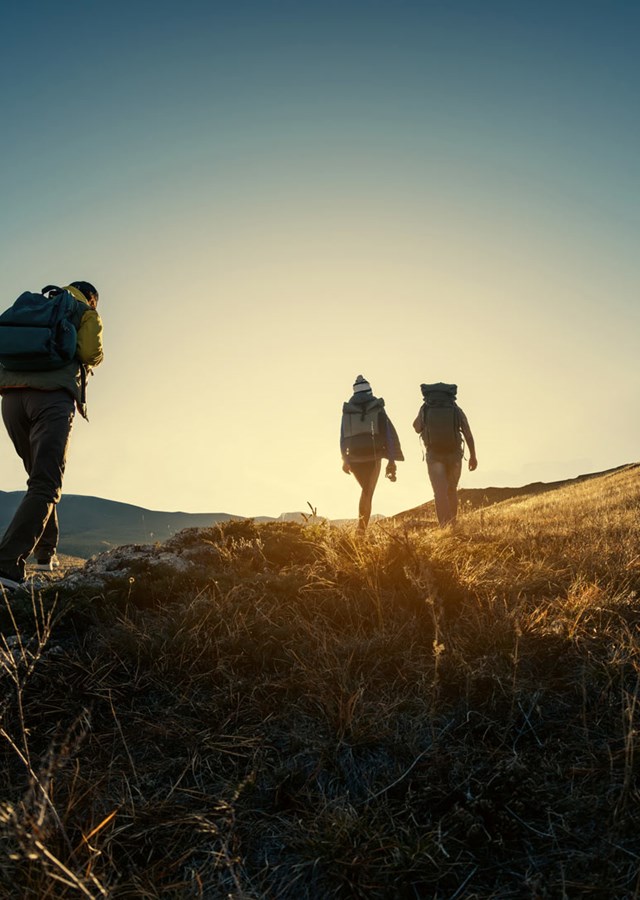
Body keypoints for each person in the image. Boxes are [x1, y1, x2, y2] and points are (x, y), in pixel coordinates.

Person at [0, 281, 103, 588]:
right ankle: (6, 566)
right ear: (92, 299)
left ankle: (46, 554)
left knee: (39, 478)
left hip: (11, 400)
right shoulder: (85, 313)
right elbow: (89, 353)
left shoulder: (33, 305)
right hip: (52, 399)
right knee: (46, 482)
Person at [340, 375, 404, 533]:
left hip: (354, 457)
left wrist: (345, 459)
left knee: (365, 491)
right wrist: (391, 459)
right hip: (373, 456)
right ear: (370, 391)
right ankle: (361, 531)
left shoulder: (348, 410)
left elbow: (342, 436)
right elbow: (388, 433)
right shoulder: (377, 408)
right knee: (367, 491)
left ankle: (361, 529)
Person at [413, 382, 477, 527]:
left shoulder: (425, 408)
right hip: (454, 454)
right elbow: (467, 432)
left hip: (434, 455)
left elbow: (417, 428)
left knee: (439, 492)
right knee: (451, 490)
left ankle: (444, 527)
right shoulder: (455, 409)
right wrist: (473, 456)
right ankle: (453, 525)